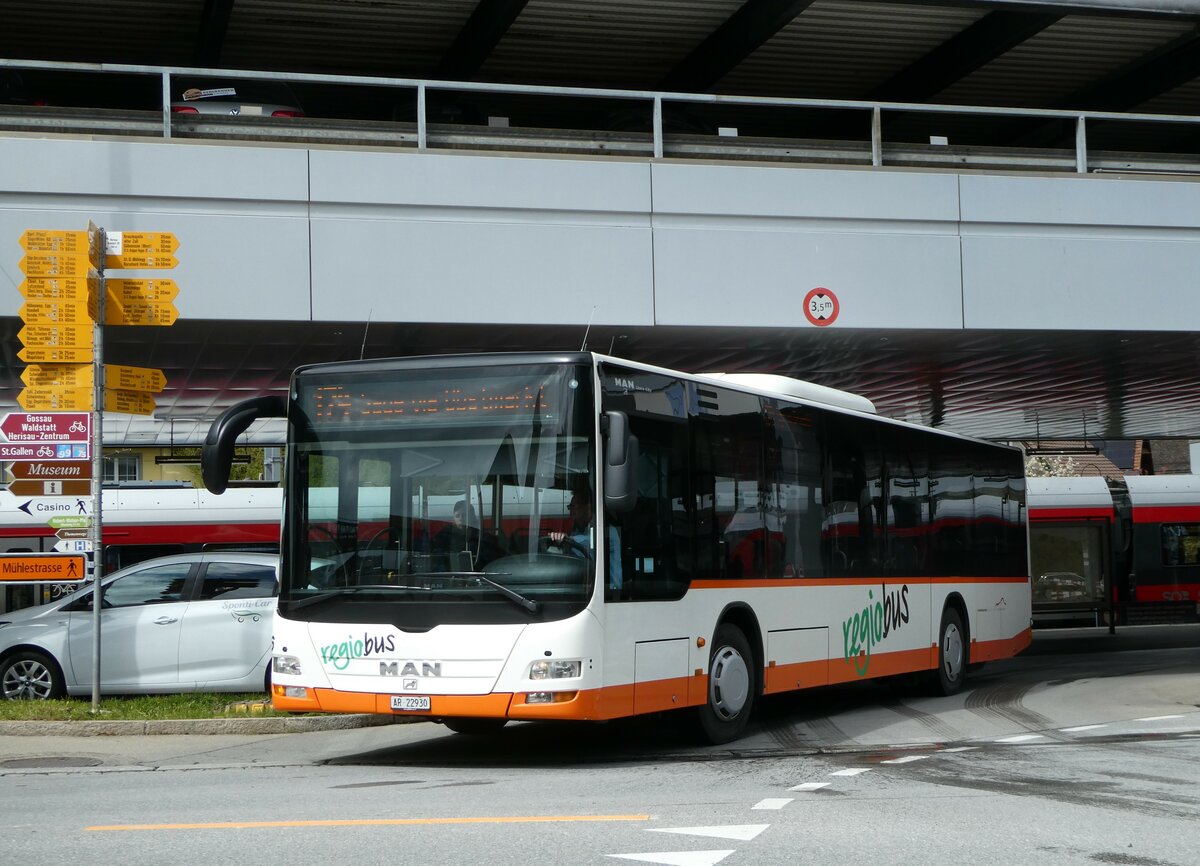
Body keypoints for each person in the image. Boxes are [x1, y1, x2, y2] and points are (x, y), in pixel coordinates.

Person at [550, 491, 623, 591]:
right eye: (569, 507)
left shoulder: (607, 531)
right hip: (579, 585)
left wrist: (567, 539)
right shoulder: (575, 530)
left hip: (604, 590)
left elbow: (590, 542)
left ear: (587, 508)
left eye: (574, 507)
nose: (570, 510)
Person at [433, 500, 497, 569]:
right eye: (457, 516)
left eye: (464, 515)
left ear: (472, 517)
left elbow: (491, 561)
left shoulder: (484, 537)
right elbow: (436, 555)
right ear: (453, 518)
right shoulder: (445, 536)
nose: (461, 519)